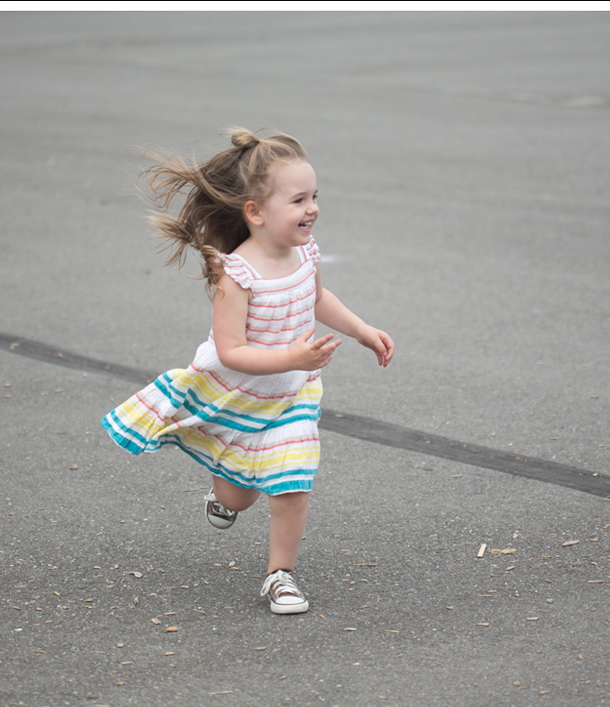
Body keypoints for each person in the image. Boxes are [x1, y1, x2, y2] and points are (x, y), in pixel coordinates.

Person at [101, 128, 394, 614]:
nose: (313, 209)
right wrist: (291, 357)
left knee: (293, 481)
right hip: (237, 394)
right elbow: (231, 350)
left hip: (292, 394)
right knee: (240, 498)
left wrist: (361, 329)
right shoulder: (236, 275)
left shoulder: (306, 252)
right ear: (255, 213)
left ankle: (281, 576)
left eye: (314, 196)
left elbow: (317, 297)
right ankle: (224, 494)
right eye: (298, 200)